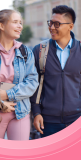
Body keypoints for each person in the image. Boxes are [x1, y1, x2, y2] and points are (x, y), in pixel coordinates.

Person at [0, 9, 39, 140]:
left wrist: (8, 94)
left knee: (19, 153)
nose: (20, 26)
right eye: (15, 22)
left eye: (21, 22)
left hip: (20, 112)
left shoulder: (26, 52)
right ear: (1, 26)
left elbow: (32, 81)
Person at [30, 5, 81, 138]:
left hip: (76, 119)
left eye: (57, 24)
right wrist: (36, 113)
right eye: (50, 23)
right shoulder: (40, 51)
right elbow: (33, 84)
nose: (51, 27)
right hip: (48, 121)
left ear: (70, 26)